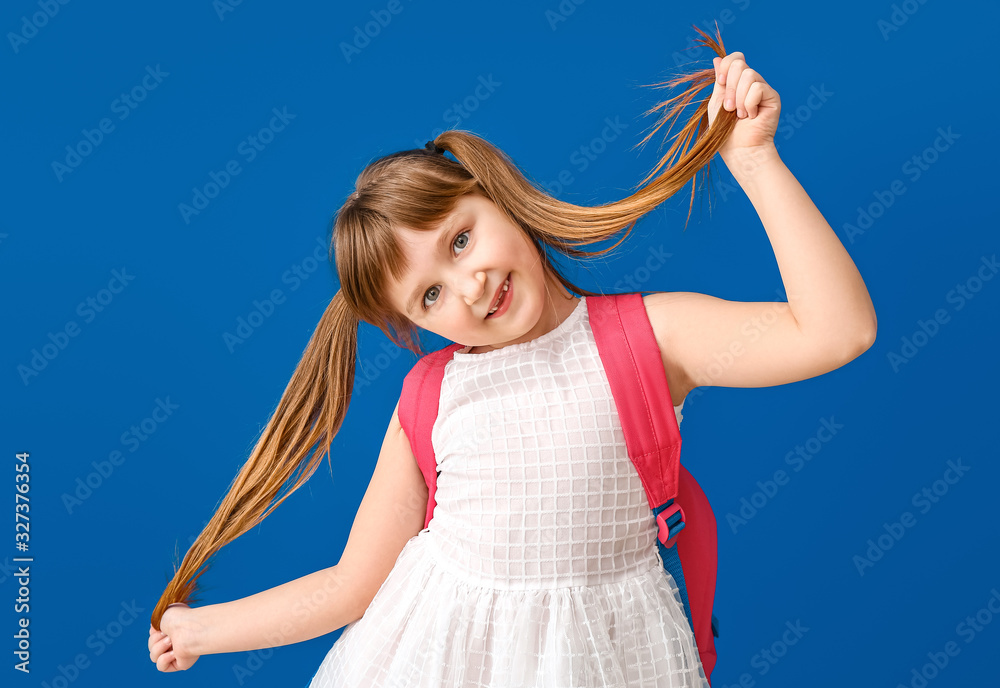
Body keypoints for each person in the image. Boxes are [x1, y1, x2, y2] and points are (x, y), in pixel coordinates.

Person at [148, 29, 877, 687]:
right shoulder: (431, 399)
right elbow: (350, 587)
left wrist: (755, 164)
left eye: (460, 239)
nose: (468, 287)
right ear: (411, 327)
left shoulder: (646, 338)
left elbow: (836, 331)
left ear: (494, 195)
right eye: (429, 296)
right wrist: (206, 630)